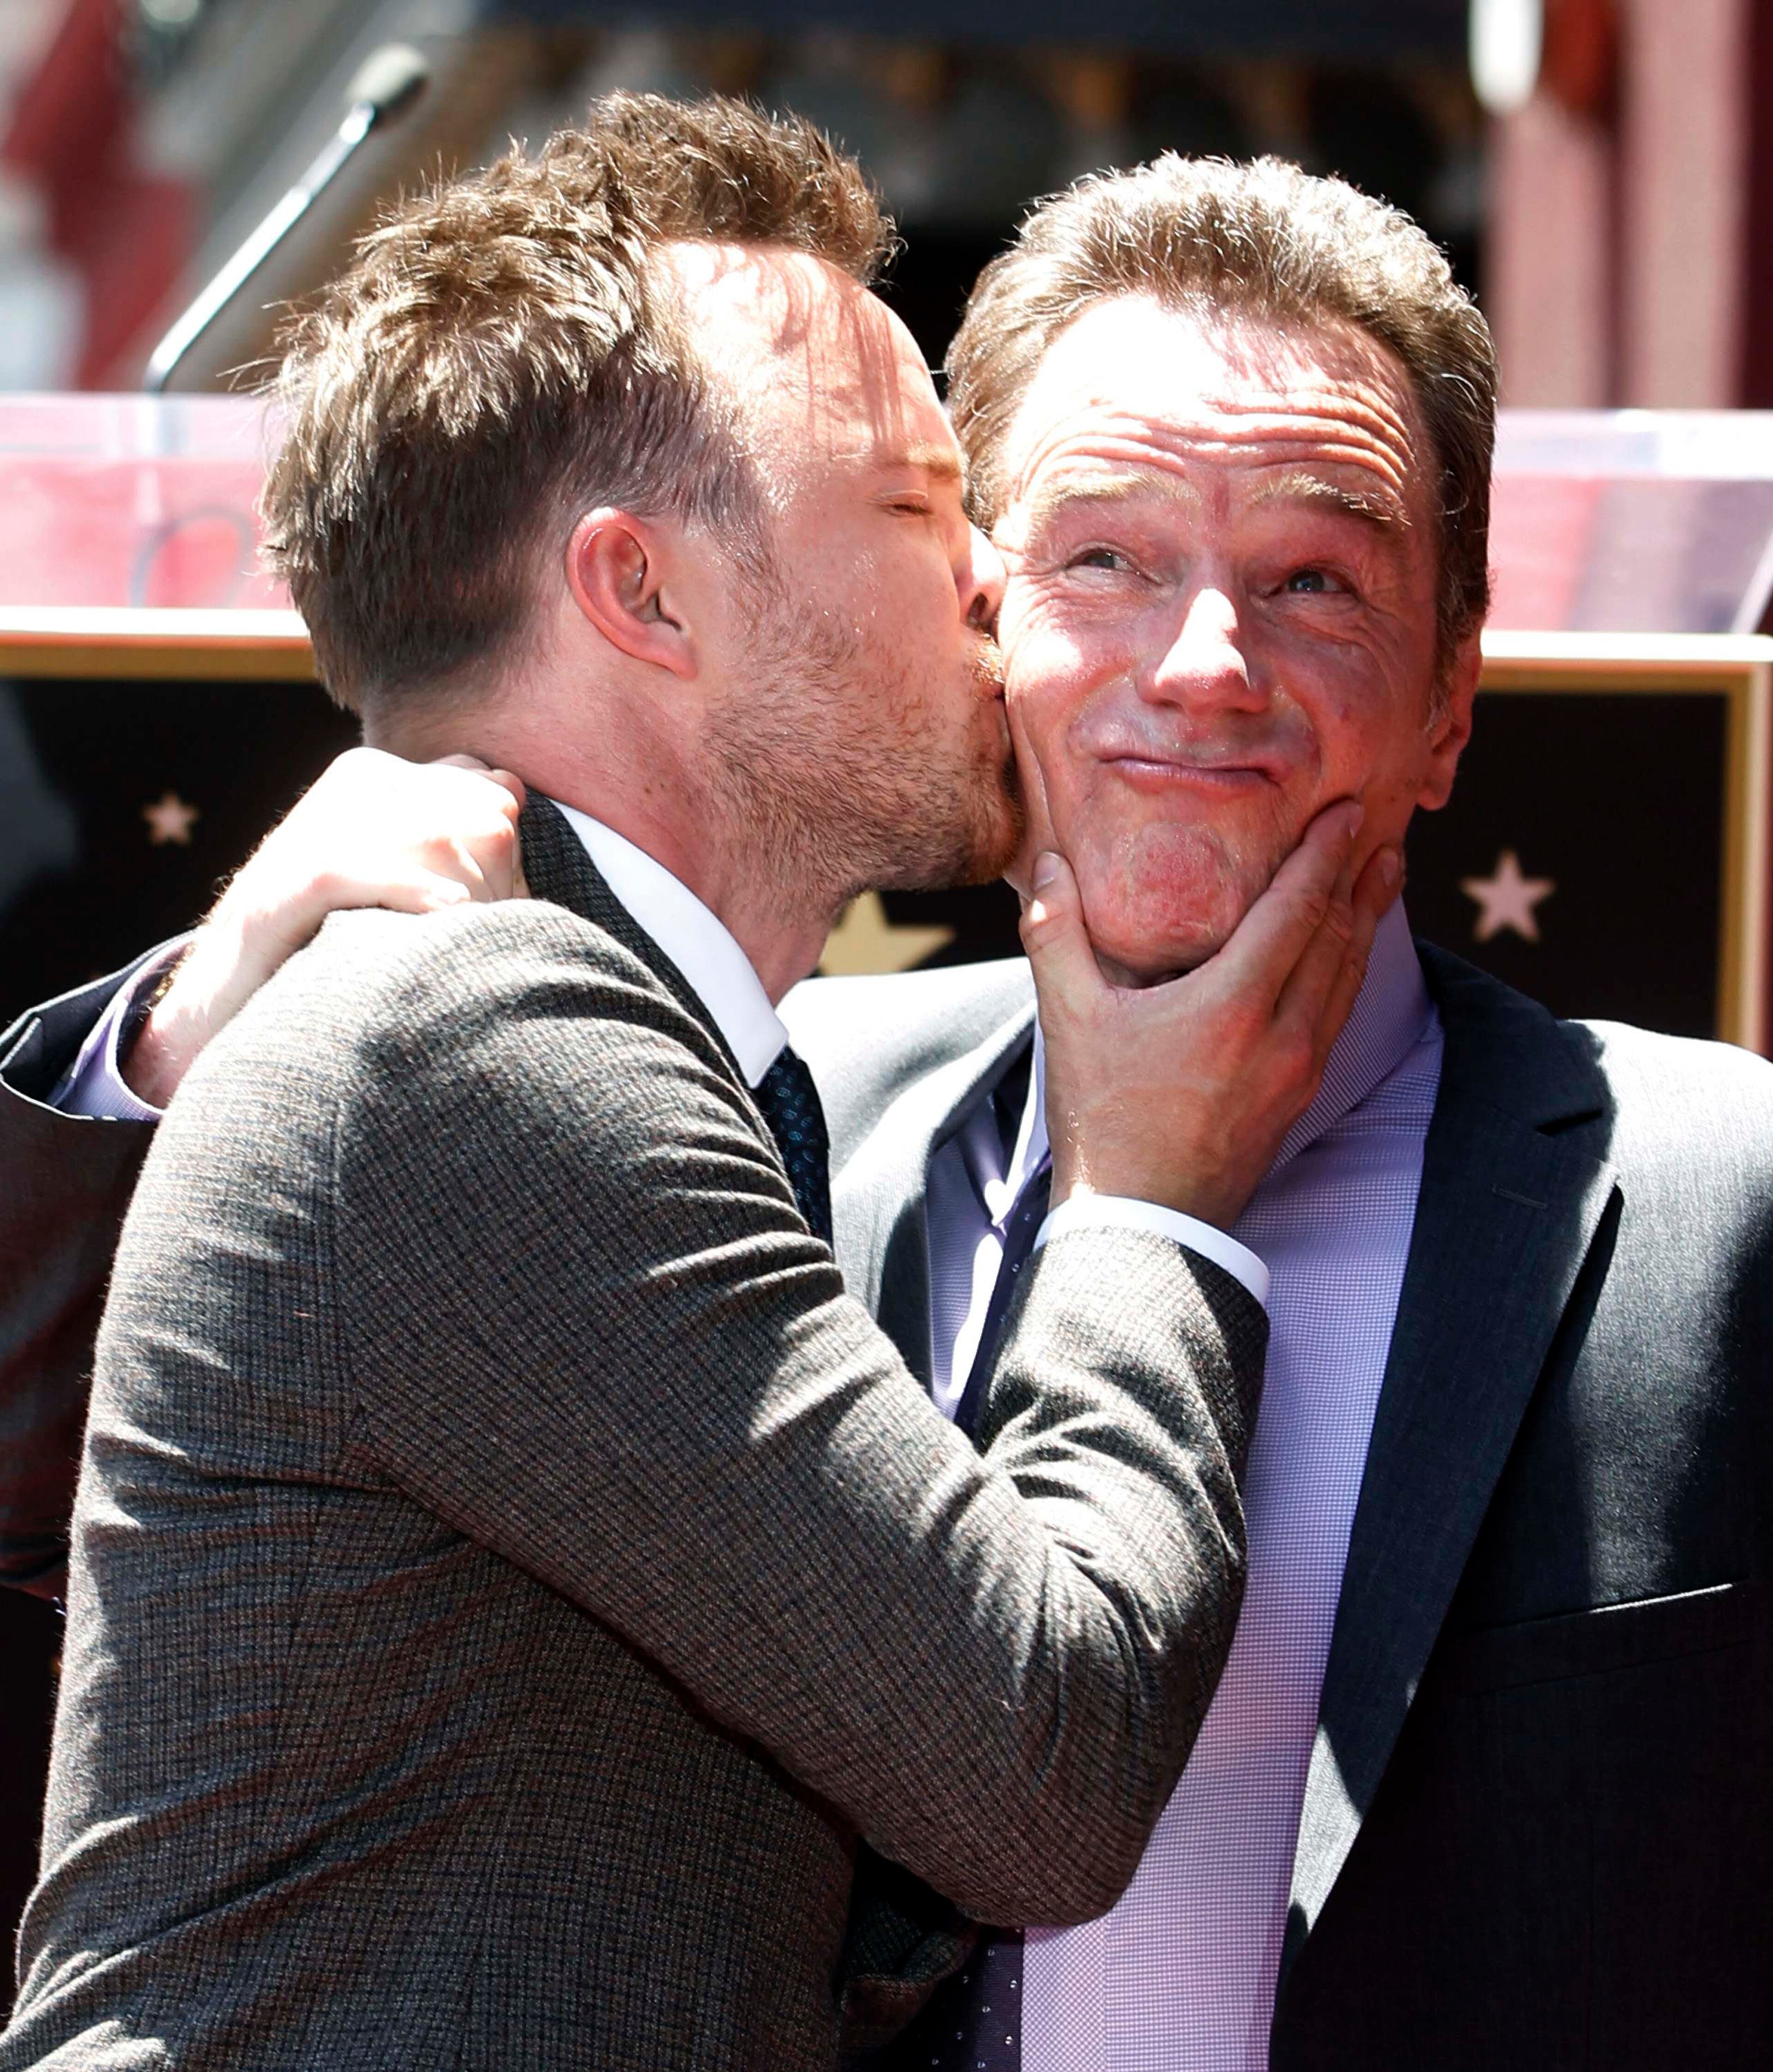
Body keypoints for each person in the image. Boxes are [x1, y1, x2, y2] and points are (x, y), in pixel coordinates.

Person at [7, 143, 1768, 2072]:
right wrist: (197, 1028)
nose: (1196, 663)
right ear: (647, 591)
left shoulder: (1721, 1205)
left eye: (1315, 580)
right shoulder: (690, 1105)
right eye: (1073, 550)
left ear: (1451, 698)